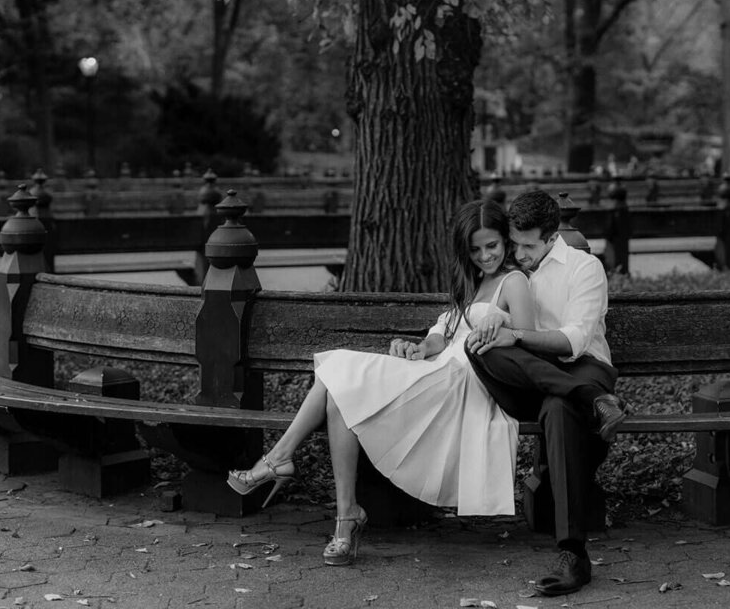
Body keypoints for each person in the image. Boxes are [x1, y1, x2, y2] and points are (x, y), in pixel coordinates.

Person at [226, 199, 535, 566]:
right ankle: (345, 520)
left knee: (340, 371)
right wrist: (418, 346)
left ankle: (278, 459)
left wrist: (501, 325)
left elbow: (529, 339)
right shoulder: (474, 283)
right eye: (475, 249)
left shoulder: (514, 282)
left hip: (466, 384)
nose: (485, 256)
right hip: (440, 372)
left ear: (506, 241)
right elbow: (442, 337)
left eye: (492, 246)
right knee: (340, 394)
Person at [465, 189, 624, 597]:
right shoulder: (507, 274)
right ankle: (592, 401)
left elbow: (574, 341)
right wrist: (491, 329)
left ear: (552, 236)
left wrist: (514, 334)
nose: (517, 253)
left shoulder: (583, 268)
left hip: (583, 367)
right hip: (534, 380)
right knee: (479, 349)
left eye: (528, 245)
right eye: (513, 243)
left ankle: (573, 554)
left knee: (557, 407)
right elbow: (493, 321)